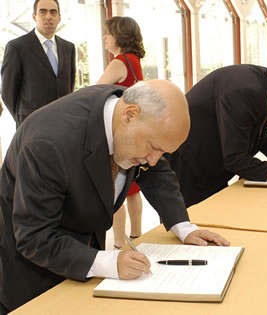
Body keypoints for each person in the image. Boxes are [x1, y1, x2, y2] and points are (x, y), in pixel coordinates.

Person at [0, 80, 230, 313]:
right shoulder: (48, 144)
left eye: (162, 152)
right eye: (153, 147)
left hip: (84, 247)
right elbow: (34, 236)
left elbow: (156, 172)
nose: (153, 159)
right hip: (32, 266)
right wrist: (107, 261)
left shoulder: (129, 116)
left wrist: (183, 227)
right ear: (129, 115)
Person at [166, 61, 267, 207]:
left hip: (210, 165)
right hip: (189, 166)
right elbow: (235, 159)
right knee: (189, 228)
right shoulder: (244, 92)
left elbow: (261, 137)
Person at [97, 16, 145, 249]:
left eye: (108, 33)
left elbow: (96, 92)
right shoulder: (134, 60)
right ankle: (136, 235)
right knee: (132, 188)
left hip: (119, 132)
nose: (105, 37)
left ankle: (117, 243)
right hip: (135, 130)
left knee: (115, 189)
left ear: (120, 35)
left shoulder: (119, 62)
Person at [1, 0, 75, 126]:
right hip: (31, 124)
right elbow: (8, 92)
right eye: (42, 12)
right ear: (34, 17)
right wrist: (22, 120)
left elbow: (70, 86)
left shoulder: (68, 47)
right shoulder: (17, 47)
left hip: (63, 124)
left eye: (53, 12)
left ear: (59, 18)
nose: (48, 17)